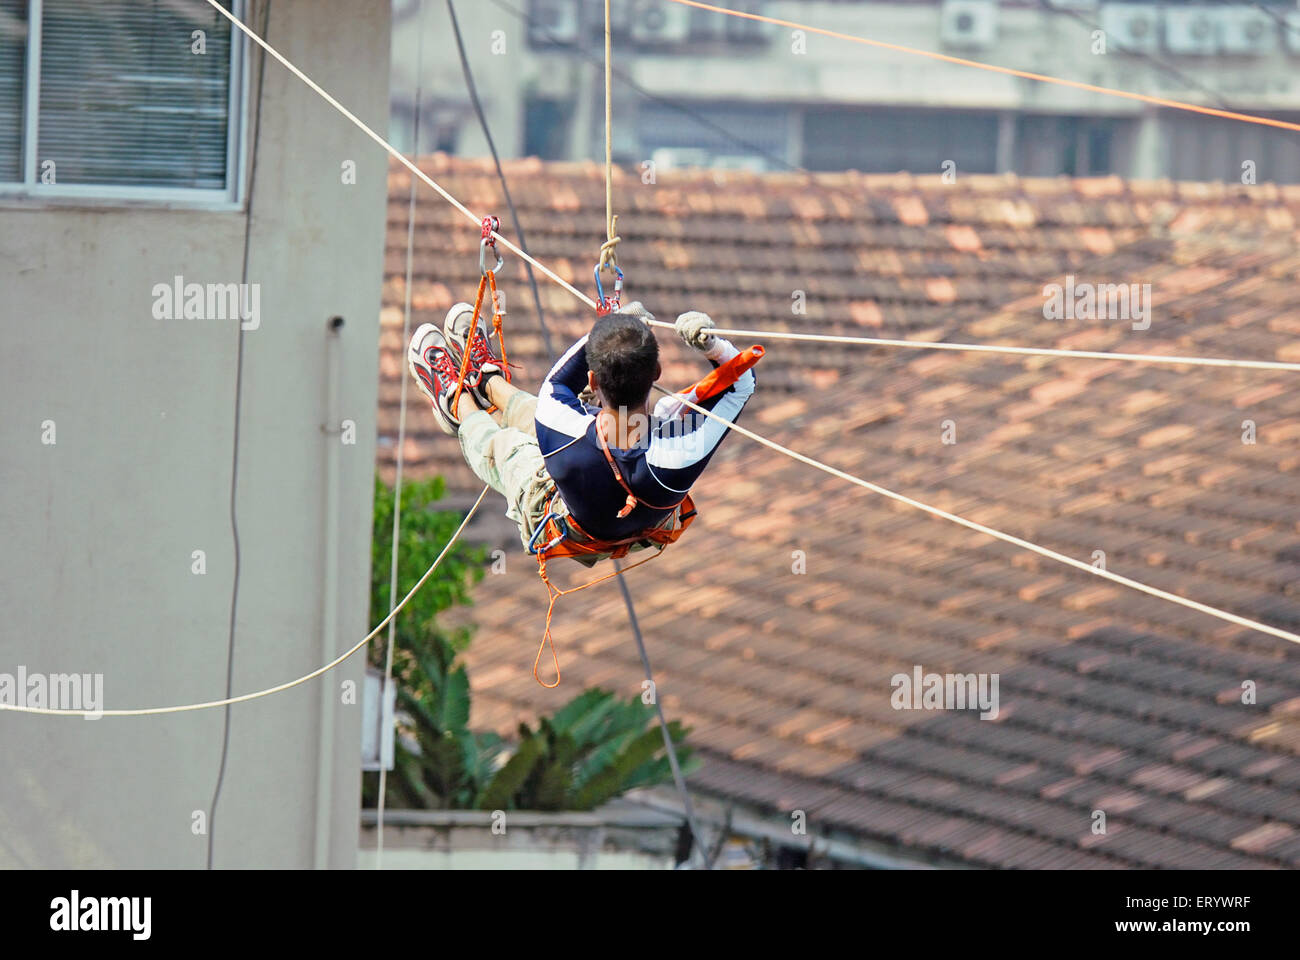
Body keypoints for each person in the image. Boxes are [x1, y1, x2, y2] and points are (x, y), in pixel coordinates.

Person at [406, 301, 755, 563]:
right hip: (632, 507)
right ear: (657, 373)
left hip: (563, 517)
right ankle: (485, 379)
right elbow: (741, 385)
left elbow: (558, 381)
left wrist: (614, 326)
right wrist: (713, 346)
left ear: (592, 381)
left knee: (505, 446)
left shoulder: (559, 420)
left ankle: (457, 401)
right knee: (535, 415)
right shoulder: (680, 454)